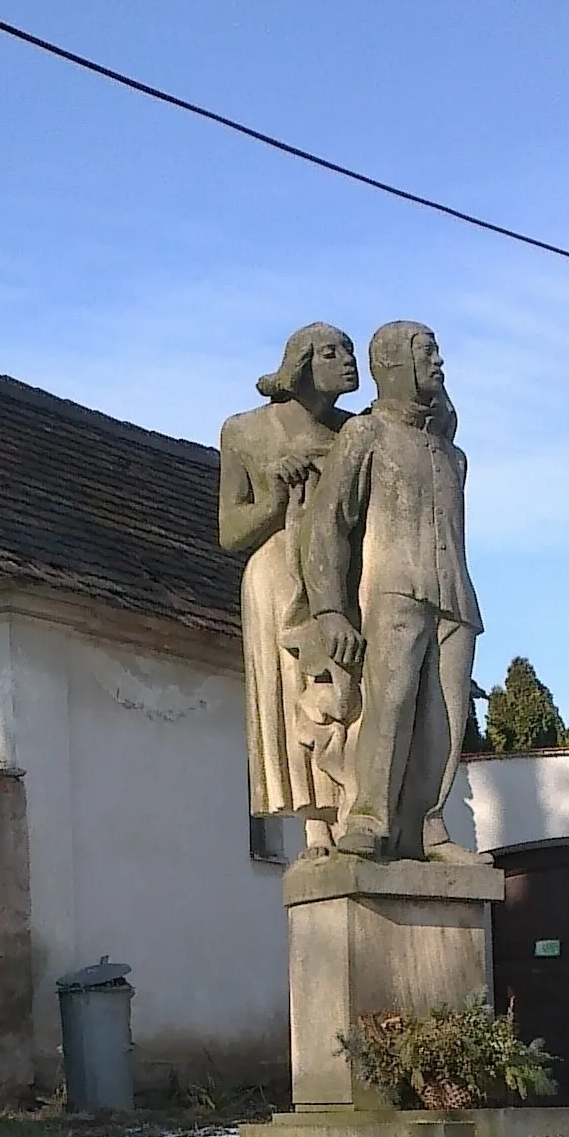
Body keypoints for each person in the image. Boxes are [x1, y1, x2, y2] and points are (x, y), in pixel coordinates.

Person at [301, 321, 488, 863]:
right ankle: (368, 818)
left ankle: (430, 830)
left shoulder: (453, 457)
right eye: (428, 352)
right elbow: (327, 523)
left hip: (455, 596)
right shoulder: (366, 435)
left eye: (438, 351)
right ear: (395, 363)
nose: (439, 363)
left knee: (446, 717)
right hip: (392, 591)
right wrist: (331, 610)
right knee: (389, 705)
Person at [218, 323, 359, 858]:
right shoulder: (246, 432)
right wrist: (276, 495)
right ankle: (316, 824)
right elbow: (229, 532)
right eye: (332, 353)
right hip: (277, 574)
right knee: (295, 697)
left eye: (350, 351)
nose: (349, 361)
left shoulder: (355, 433)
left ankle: (355, 805)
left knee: (348, 696)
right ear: (301, 363)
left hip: (342, 577)